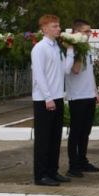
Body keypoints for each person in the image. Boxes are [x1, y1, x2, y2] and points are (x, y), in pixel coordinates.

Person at [31, 14, 75, 186]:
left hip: (57, 97)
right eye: (55, 26)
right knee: (43, 139)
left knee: (55, 137)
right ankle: (40, 175)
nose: (59, 29)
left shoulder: (56, 47)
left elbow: (65, 70)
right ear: (45, 28)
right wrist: (47, 98)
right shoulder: (40, 48)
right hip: (44, 99)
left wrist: (70, 51)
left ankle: (52, 171)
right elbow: (39, 75)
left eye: (59, 26)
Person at [64, 19, 99, 178]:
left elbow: (89, 72)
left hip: (89, 94)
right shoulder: (70, 49)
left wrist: (95, 91)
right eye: (86, 32)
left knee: (86, 131)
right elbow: (76, 70)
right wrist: (77, 48)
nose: (89, 34)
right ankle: (73, 165)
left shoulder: (88, 49)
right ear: (76, 32)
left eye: (90, 32)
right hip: (77, 96)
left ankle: (82, 160)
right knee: (76, 131)